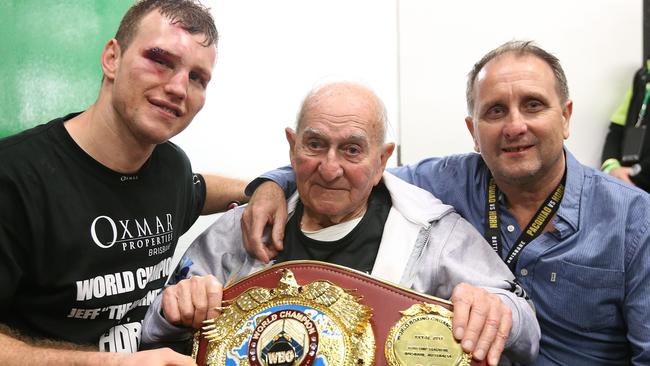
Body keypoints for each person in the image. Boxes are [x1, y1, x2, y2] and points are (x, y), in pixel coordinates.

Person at [242, 41, 650, 365]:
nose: (514, 126)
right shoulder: (443, 180)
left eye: (533, 105)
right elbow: (352, 170)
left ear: (566, 117)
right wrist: (273, 183)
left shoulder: (635, 220)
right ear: (473, 131)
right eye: (494, 111)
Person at [141, 82, 540, 365]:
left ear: (382, 159)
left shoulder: (433, 232)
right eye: (315, 145)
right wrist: (175, 308)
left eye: (351, 150)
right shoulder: (241, 228)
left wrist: (496, 308)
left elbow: (524, 327)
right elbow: (154, 329)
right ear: (292, 146)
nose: (330, 168)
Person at [0, 1, 247, 364]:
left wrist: (266, 187)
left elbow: (200, 191)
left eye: (197, 78)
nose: (179, 87)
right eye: (160, 60)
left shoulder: (171, 168)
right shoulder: (15, 178)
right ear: (112, 58)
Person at [601, 62, 650, 192]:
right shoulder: (642, 77)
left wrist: (636, 171)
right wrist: (611, 167)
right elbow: (617, 128)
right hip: (629, 185)